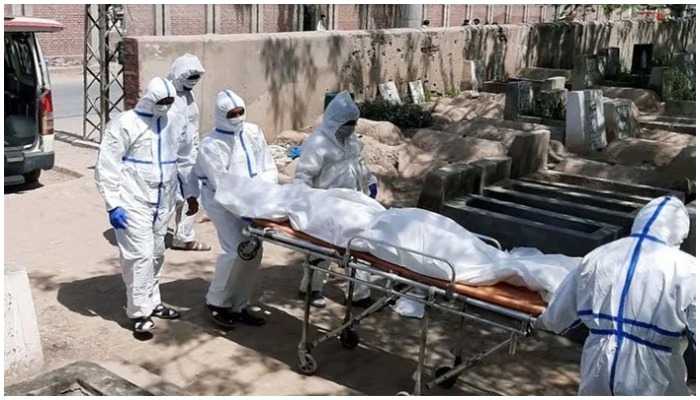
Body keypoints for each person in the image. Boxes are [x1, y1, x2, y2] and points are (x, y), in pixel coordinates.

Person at [533, 196, 696, 396]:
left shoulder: (598, 255)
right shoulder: (689, 270)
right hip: (655, 373)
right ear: (680, 232)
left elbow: (560, 313)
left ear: (641, 219)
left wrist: (540, 322)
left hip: (599, 364)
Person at [95, 77, 200, 334]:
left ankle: (153, 301)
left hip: (163, 200)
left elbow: (185, 157)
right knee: (139, 256)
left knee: (156, 253)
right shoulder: (125, 124)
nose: (165, 106)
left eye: (169, 102)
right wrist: (113, 204)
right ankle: (139, 312)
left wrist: (190, 192)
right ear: (149, 99)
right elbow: (107, 165)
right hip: (133, 200)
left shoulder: (173, 121)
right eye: (160, 101)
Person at [195, 90, 278, 328]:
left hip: (256, 203)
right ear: (221, 115)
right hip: (223, 203)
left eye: (241, 112)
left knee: (254, 253)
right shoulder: (211, 145)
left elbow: (267, 166)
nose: (238, 117)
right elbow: (223, 186)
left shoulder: (252, 132)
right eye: (232, 114)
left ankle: (239, 305)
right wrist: (247, 212)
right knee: (236, 250)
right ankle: (216, 302)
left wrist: (264, 197)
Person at [294, 91, 378, 309]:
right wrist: (303, 202)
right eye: (347, 123)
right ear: (334, 121)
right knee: (322, 250)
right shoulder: (318, 143)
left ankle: (360, 293)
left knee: (358, 248)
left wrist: (370, 181)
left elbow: (358, 164)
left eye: (353, 123)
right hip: (326, 204)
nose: (351, 127)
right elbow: (303, 176)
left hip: (353, 203)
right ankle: (311, 289)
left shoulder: (350, 141)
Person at [166, 53, 211, 252]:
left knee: (191, 196)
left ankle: (183, 237)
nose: (192, 83)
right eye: (189, 78)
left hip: (188, 155)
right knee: (171, 200)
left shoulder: (188, 96)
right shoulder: (168, 97)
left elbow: (191, 129)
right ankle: (152, 241)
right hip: (171, 158)